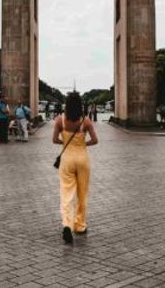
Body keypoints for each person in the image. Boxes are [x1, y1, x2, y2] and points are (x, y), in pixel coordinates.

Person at [53, 91, 98, 244]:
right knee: (82, 193)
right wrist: (82, 143)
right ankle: (80, 225)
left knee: (66, 192)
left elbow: (54, 140)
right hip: (82, 158)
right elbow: (95, 140)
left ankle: (67, 224)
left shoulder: (60, 120)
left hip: (67, 159)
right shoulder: (85, 121)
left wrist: (66, 143)